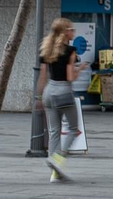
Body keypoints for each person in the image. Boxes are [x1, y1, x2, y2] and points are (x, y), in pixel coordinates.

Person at [37, 18, 86, 182]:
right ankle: (57, 159)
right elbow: (70, 77)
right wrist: (80, 69)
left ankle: (55, 174)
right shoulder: (71, 51)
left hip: (49, 91)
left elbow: (43, 76)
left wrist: (39, 97)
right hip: (64, 91)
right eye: (72, 30)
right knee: (73, 129)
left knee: (54, 132)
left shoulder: (47, 49)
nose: (74, 33)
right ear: (65, 32)